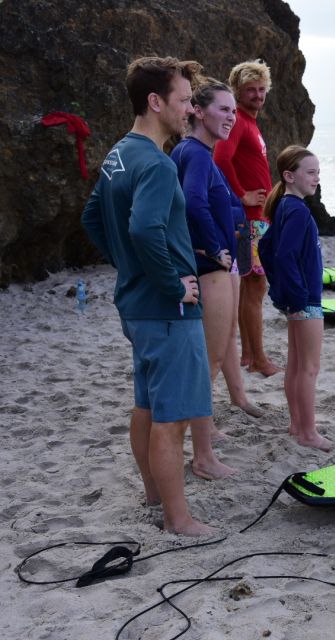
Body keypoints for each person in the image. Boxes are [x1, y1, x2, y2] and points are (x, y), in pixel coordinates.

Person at [81, 56, 214, 536]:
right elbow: (142, 227)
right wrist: (170, 283)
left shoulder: (118, 153)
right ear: (155, 102)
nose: (190, 111)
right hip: (167, 309)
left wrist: (131, 269)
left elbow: (93, 219)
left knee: (148, 405)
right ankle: (177, 519)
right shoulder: (156, 164)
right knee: (172, 418)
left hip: (136, 306)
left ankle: (155, 494)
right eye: (183, 101)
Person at [170, 78, 264, 480]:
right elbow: (191, 202)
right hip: (208, 267)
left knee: (220, 347)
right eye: (222, 109)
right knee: (206, 362)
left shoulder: (200, 153)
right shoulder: (195, 153)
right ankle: (202, 456)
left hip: (217, 262)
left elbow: (211, 199)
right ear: (199, 112)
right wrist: (216, 247)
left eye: (232, 110)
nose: (230, 116)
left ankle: (204, 432)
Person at [258, 146, 333, 451]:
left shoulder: (286, 207)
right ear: (290, 176)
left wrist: (283, 291)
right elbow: (283, 254)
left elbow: (265, 247)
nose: (317, 178)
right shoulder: (297, 211)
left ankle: (296, 425)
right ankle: (308, 432)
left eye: (318, 171)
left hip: (298, 299)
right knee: (309, 368)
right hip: (306, 301)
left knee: (296, 365)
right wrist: (296, 295)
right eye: (311, 172)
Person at [213, 59, 280, 377]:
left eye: (261, 89)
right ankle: (258, 359)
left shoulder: (250, 122)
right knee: (256, 288)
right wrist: (240, 194)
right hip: (251, 219)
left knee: (249, 288)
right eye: (250, 90)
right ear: (237, 92)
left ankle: (248, 354)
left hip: (256, 218)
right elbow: (221, 158)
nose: (257, 95)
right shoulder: (239, 120)